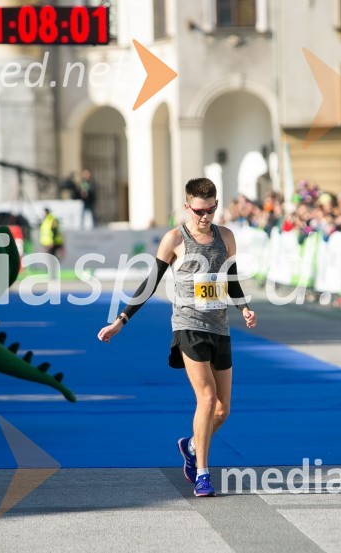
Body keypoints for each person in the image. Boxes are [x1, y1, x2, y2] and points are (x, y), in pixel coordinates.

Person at [97, 178, 257, 497]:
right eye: (199, 210)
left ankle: (192, 445)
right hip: (188, 325)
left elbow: (231, 279)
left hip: (220, 327)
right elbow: (150, 282)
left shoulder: (226, 237)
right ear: (187, 207)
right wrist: (121, 320)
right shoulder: (174, 239)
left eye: (211, 209)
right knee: (207, 398)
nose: (205, 216)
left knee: (223, 410)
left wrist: (244, 308)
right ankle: (202, 474)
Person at [39, 208, 64, 279]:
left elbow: (54, 231)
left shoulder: (51, 219)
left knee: (53, 259)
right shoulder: (46, 220)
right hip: (48, 243)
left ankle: (53, 275)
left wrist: (52, 242)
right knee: (50, 260)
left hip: (52, 243)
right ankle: (52, 275)